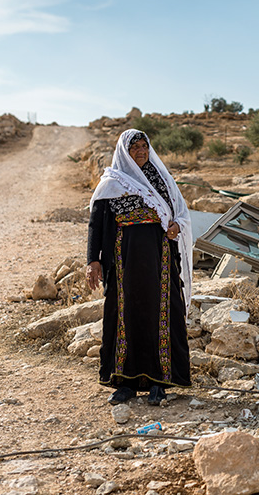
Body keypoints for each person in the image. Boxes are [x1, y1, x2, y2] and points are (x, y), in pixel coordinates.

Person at [86, 128, 193, 405]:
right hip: (123, 260)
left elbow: (181, 212)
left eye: (145, 147)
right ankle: (125, 383)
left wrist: (176, 225)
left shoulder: (163, 179)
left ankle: (160, 382)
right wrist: (93, 260)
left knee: (161, 314)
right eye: (135, 148)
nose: (141, 152)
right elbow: (96, 224)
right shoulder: (112, 182)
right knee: (125, 316)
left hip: (160, 258)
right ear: (125, 151)